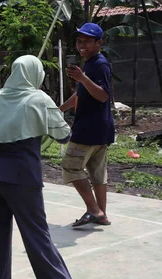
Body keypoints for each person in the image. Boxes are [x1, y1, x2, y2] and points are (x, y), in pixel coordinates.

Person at [0, 55, 74, 279]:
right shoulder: (39, 98)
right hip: (20, 173)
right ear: (35, 74)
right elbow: (63, 135)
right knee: (35, 231)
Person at [59, 22, 115, 227]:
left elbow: (102, 95)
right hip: (101, 129)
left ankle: (93, 210)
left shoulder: (99, 64)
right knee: (97, 174)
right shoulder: (90, 63)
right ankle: (102, 214)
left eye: (88, 42)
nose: (82, 45)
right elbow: (81, 93)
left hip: (88, 129)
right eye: (79, 41)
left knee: (70, 166)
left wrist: (82, 78)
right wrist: (59, 110)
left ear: (99, 42)